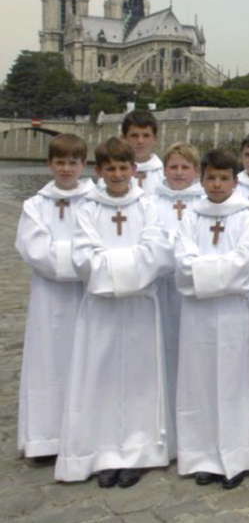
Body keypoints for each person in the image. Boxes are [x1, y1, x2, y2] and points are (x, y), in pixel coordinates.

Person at [56, 137, 173, 488]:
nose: (118, 174)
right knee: (100, 377)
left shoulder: (151, 206)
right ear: (99, 171)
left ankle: (138, 452)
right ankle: (102, 452)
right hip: (102, 307)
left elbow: (159, 252)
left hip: (138, 306)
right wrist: (129, 264)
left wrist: (113, 265)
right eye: (111, 169)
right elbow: (83, 256)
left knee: (139, 380)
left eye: (124, 168)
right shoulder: (87, 209)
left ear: (134, 170)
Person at [174, 148, 249, 490]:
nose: (217, 185)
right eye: (211, 178)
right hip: (199, 315)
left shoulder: (248, 218)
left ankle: (241, 454)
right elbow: (182, 263)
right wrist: (220, 271)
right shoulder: (190, 216)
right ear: (202, 179)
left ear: (235, 181)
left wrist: (207, 272)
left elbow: (247, 263)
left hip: (234, 313)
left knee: (236, 382)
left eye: (223, 178)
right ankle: (204, 455)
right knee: (200, 380)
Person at [15, 134, 94, 463]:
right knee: (48, 362)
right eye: (60, 162)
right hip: (49, 297)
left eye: (73, 162)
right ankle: (45, 438)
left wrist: (85, 261)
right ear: (50, 164)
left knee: (86, 361)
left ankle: (84, 434)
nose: (66, 168)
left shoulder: (96, 201)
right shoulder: (35, 205)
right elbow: (34, 249)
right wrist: (80, 261)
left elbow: (100, 242)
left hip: (86, 295)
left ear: (82, 165)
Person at [153, 142, 204, 420]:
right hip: (161, 286)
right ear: (165, 169)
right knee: (164, 348)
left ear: (196, 171)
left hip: (193, 288)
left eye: (185, 167)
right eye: (173, 167)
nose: (179, 173)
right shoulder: (151, 202)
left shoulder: (205, 203)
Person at [121, 109, 163, 194]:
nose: (140, 141)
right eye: (134, 135)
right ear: (124, 139)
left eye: (146, 135)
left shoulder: (165, 175)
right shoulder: (113, 174)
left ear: (155, 139)